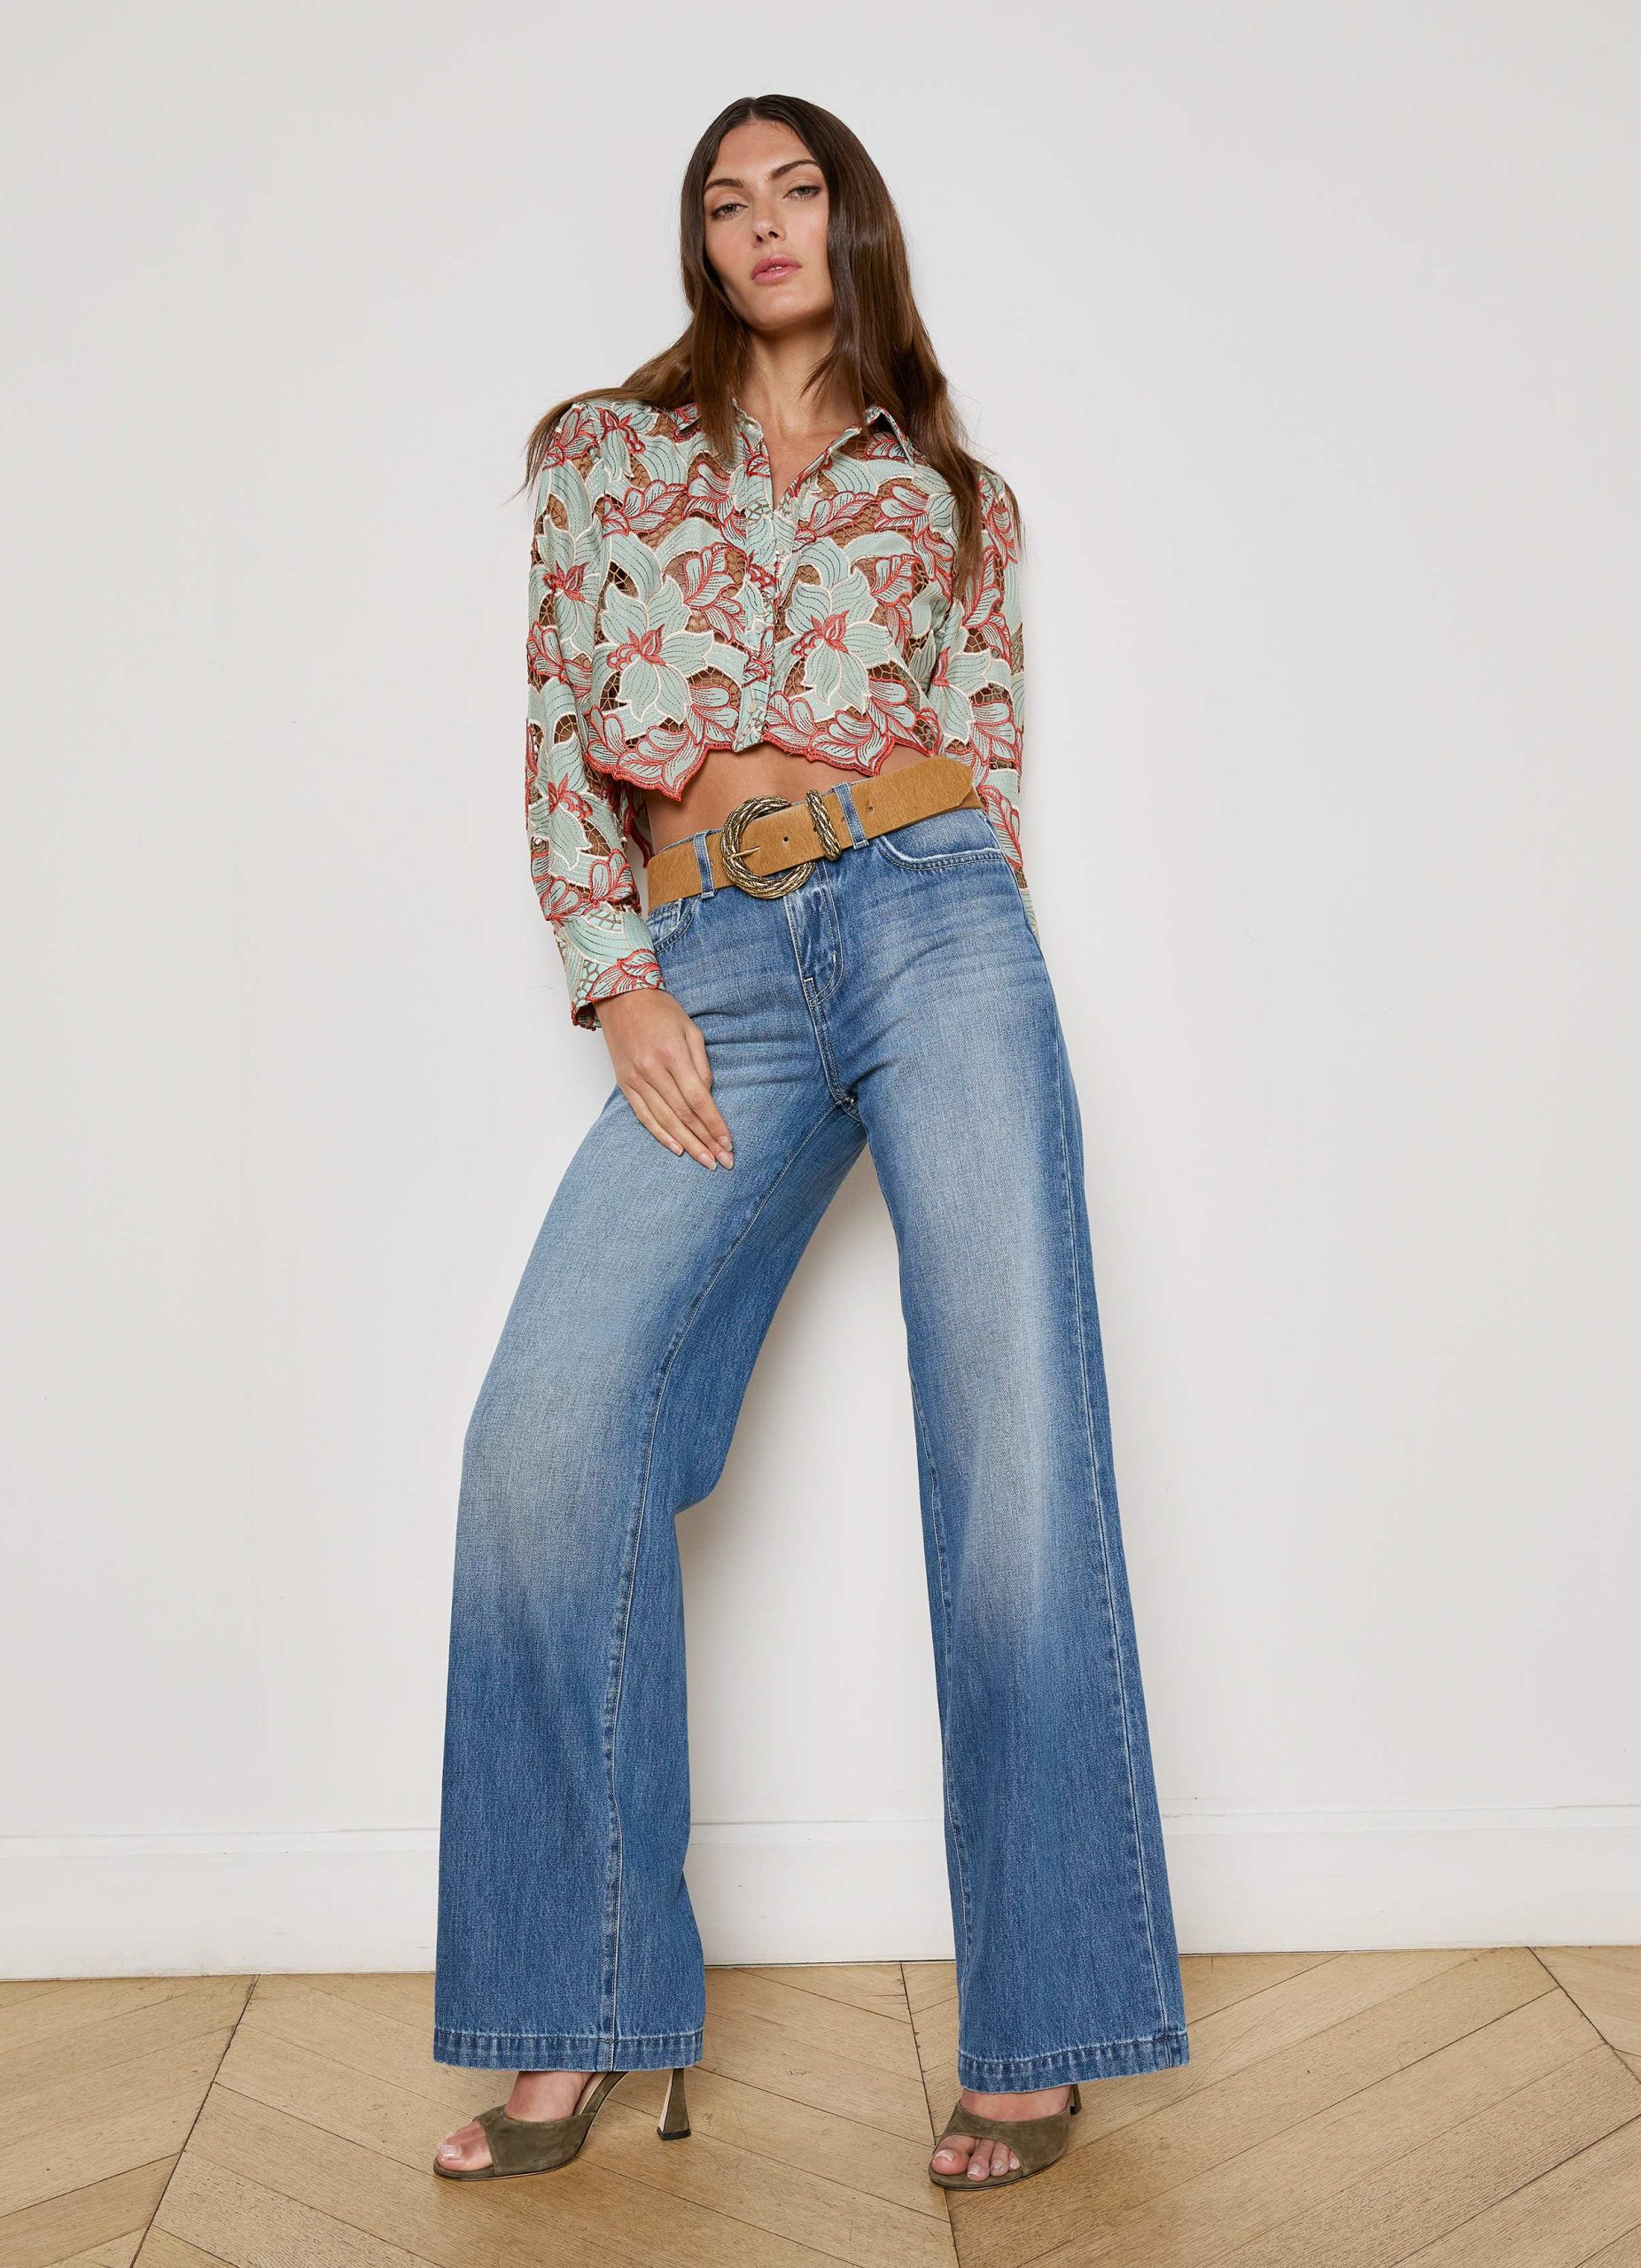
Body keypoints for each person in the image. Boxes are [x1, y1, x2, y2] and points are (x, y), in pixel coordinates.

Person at [432, 91, 1190, 2195]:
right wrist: (620, 974)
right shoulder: (601, 451)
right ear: (699, 242)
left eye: (799, 190)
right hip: (712, 958)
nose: (762, 223)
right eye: (725, 199)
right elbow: (557, 734)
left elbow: (989, 758)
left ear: (852, 224)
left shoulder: (957, 494)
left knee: (1017, 1446)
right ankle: (575, 2003)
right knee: (543, 1435)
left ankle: (1042, 2025)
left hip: (937, 920)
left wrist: (962, 952)